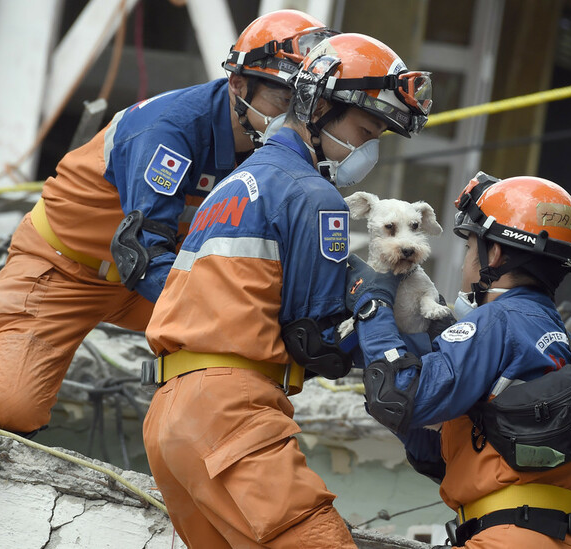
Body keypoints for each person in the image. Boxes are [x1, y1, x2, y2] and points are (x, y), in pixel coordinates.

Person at [0, 9, 338, 436]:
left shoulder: (284, 149)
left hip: (165, 277)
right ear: (238, 84)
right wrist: (219, 314)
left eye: (306, 104)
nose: (294, 117)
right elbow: (141, 252)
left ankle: (221, 450)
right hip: (64, 269)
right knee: (9, 410)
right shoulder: (170, 129)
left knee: (258, 341)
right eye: (283, 101)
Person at [141, 33, 432, 548]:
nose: (367, 150)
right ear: (317, 106)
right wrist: (389, 320)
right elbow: (314, 342)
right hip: (231, 414)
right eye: (364, 130)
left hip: (170, 418)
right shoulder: (314, 196)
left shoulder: (237, 182)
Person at [344, 172, 571, 548]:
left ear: (495, 254)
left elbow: (400, 396)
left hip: (510, 536)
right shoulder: (556, 335)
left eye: (469, 249)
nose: (464, 265)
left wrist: (372, 308)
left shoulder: (495, 322)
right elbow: (441, 455)